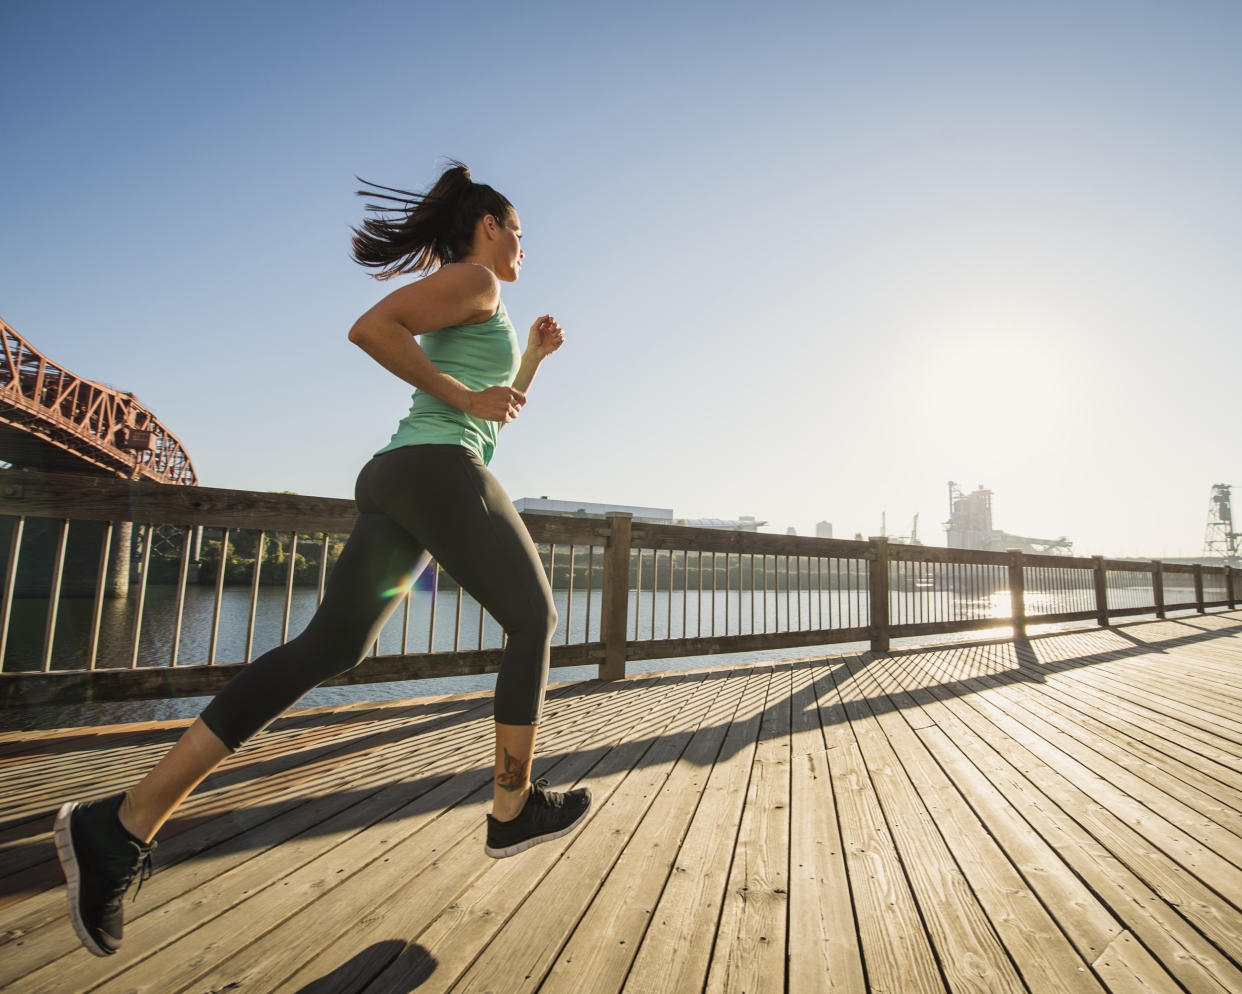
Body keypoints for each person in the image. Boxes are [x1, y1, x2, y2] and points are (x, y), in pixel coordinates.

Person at [53, 161, 592, 958]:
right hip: (434, 469)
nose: (523, 246)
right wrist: (465, 397)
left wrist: (527, 365)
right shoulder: (478, 279)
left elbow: (485, 418)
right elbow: (372, 330)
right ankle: (512, 813)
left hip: (408, 476)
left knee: (329, 647)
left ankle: (123, 822)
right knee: (536, 618)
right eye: (519, 230)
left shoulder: (478, 299)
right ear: (487, 225)